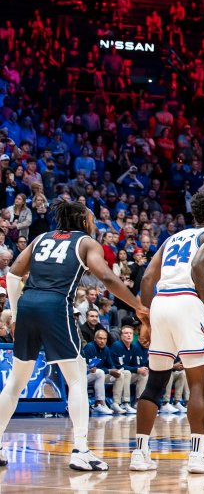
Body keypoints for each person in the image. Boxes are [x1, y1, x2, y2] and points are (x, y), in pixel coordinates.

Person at [0, 199, 148, 471]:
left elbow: (13, 275)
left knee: (16, 382)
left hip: (29, 303)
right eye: (91, 218)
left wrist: (17, 312)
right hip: (55, 305)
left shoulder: (41, 237)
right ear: (82, 222)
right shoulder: (86, 243)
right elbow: (108, 278)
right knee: (77, 377)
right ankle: (80, 449)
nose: (93, 223)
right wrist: (138, 305)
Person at [130, 189, 204, 474]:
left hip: (160, 303)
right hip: (187, 301)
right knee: (198, 383)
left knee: (155, 383)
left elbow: (148, 277)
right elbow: (198, 266)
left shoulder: (172, 238)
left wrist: (146, 320)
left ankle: (140, 453)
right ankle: (197, 456)